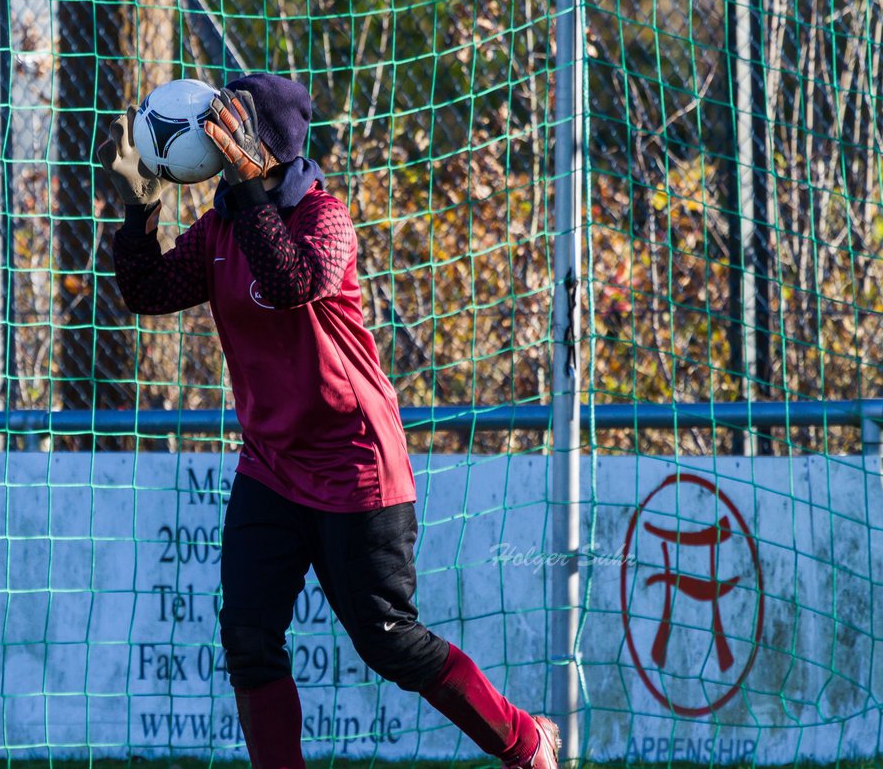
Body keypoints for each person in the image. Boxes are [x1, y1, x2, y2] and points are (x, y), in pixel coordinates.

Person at [100, 73, 560, 768]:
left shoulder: (324, 217)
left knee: (388, 640)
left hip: (355, 469)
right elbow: (147, 291)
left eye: (237, 125)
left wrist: (252, 192)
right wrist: (137, 215)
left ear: (270, 144)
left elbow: (289, 283)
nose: (219, 136)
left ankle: (527, 741)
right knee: (249, 639)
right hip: (270, 468)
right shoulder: (223, 222)